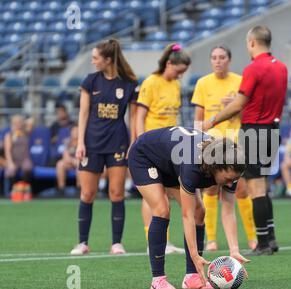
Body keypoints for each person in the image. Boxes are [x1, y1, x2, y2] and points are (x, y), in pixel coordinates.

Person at [128, 126, 248, 289]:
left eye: (233, 179)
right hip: (145, 156)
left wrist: (234, 250)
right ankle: (158, 280)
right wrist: (194, 255)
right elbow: (187, 215)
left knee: (201, 211)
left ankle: (192, 277)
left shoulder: (232, 168)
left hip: (171, 161)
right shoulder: (193, 167)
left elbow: (228, 210)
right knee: (162, 210)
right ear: (215, 167)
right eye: (227, 179)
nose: (230, 183)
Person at [203, 26, 287, 255]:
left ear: (251, 42)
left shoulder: (253, 68)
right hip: (273, 129)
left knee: (255, 187)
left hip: (253, 130)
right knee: (264, 186)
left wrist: (211, 121)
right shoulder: (281, 67)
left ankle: (262, 243)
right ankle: (270, 238)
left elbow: (239, 104)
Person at [70, 39, 139, 255]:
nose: (92, 61)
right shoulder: (90, 81)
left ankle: (116, 243)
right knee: (88, 193)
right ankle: (82, 243)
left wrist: (135, 143)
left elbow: (135, 117)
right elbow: (82, 114)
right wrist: (80, 143)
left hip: (118, 143)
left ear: (108, 59)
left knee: (117, 193)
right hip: (92, 144)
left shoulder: (128, 83)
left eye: (95, 58)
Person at [192, 45, 257, 252]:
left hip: (235, 142)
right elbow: (198, 117)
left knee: (241, 189)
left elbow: (248, 114)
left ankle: (252, 237)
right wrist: (196, 140)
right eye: (214, 57)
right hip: (211, 143)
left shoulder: (240, 82)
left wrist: (236, 107)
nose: (217, 61)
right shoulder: (203, 83)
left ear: (229, 60)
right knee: (210, 188)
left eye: (221, 57)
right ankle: (211, 239)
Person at [136, 43, 191, 254]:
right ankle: (153, 243)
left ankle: (164, 242)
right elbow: (139, 116)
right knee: (151, 195)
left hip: (170, 145)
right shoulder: (151, 83)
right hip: (151, 146)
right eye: (178, 71)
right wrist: (140, 143)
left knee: (167, 195)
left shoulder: (175, 86)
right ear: (169, 63)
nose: (179, 76)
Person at [4, 115, 33, 201]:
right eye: (15, 123)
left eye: (19, 122)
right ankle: (9, 192)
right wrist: (10, 163)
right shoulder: (9, 135)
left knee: (27, 167)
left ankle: (26, 190)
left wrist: (25, 123)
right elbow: (7, 151)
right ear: (12, 124)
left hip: (25, 159)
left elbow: (32, 121)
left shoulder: (26, 132)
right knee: (10, 171)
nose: (18, 124)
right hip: (14, 160)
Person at [56, 125, 79, 195]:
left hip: (80, 162)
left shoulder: (83, 141)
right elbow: (65, 155)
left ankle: (79, 189)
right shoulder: (67, 141)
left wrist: (76, 161)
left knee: (80, 165)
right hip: (70, 162)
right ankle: (61, 189)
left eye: (77, 131)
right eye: (73, 131)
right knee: (60, 164)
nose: (75, 133)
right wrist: (72, 160)